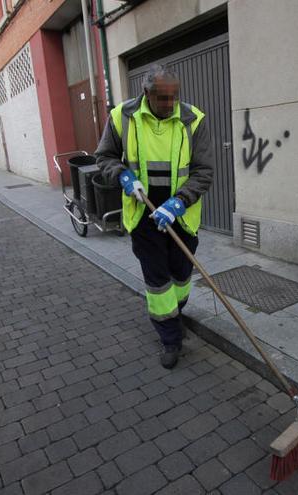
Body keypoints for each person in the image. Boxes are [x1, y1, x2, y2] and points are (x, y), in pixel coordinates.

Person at [95, 65, 214, 369]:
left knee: (182, 274)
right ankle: (170, 338)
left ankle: (177, 312)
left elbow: (203, 172)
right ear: (146, 93)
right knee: (158, 280)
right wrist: (122, 176)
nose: (169, 104)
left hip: (182, 215)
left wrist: (178, 204)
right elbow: (104, 157)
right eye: (162, 98)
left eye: (174, 97)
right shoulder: (123, 117)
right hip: (143, 213)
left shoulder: (193, 119)